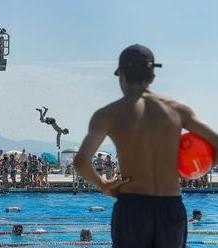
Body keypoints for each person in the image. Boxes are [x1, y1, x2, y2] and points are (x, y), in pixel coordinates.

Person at [74, 44, 218, 248]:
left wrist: (104, 186)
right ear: (151, 77)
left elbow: (81, 162)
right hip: (170, 205)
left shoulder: (107, 115)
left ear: (121, 75)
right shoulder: (177, 110)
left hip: (132, 206)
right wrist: (195, 169)